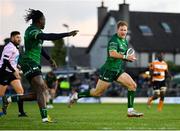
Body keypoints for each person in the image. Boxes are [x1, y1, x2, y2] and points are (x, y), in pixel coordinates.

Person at [3, 9, 78, 123]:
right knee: (42, 89)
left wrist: (50, 59)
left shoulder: (37, 31)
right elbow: (48, 37)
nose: (45, 22)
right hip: (28, 62)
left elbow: (40, 48)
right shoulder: (32, 31)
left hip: (33, 63)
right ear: (39, 20)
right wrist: (67, 34)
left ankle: (10, 99)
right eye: (44, 20)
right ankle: (45, 118)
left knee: (39, 93)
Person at [68, 21, 143, 117]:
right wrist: (125, 57)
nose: (123, 32)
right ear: (117, 30)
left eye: (125, 30)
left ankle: (130, 111)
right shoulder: (114, 40)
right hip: (108, 70)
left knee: (132, 85)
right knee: (97, 93)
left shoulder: (124, 41)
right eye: (121, 30)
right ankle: (76, 96)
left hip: (117, 70)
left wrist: (128, 59)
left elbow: (121, 56)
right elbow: (112, 53)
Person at [0, 31, 27, 117]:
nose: (19, 39)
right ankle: (3, 110)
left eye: (19, 37)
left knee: (20, 91)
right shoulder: (9, 47)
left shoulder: (15, 47)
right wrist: (14, 70)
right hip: (4, 72)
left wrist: (18, 67)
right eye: (17, 37)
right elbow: (5, 62)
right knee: (1, 94)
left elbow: (12, 61)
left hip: (11, 72)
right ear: (12, 38)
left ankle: (21, 112)